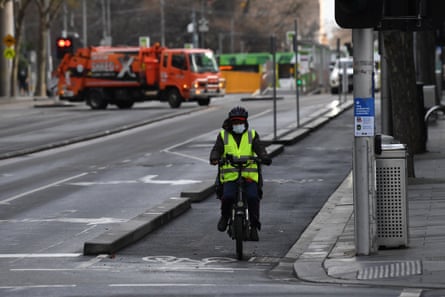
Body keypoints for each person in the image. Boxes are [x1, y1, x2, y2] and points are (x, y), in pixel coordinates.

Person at [209, 106, 271, 241]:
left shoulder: (252, 135)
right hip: (230, 176)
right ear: (231, 122)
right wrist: (215, 157)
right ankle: (225, 217)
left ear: (245, 122)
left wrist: (264, 156)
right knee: (227, 197)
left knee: (253, 198)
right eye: (235, 122)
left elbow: (259, 148)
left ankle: (254, 226)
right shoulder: (223, 135)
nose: (238, 125)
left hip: (249, 176)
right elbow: (217, 149)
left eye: (241, 122)